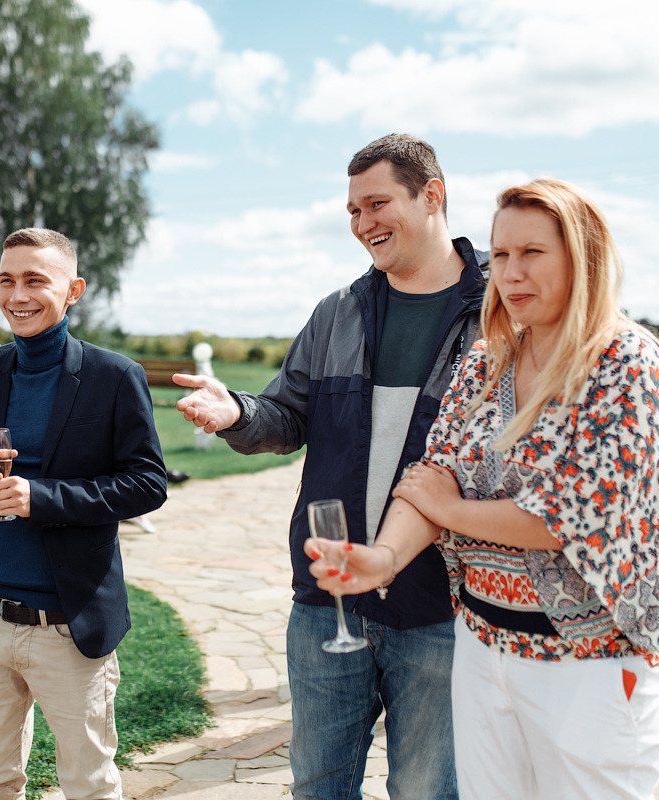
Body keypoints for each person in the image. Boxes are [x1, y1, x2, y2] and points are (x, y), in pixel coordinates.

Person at [310, 178, 659, 799]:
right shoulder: (486, 362)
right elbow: (431, 477)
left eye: (532, 253)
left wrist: (450, 508)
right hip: (485, 645)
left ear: (582, 256)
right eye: (501, 254)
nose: (510, 272)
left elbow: (568, 516)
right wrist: (383, 558)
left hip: (592, 661)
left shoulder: (624, 363)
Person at [175, 134, 486, 799]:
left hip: (443, 606)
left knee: (430, 791)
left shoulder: (498, 309)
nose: (363, 224)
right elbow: (286, 415)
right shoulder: (338, 312)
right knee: (317, 787)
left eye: (377, 204)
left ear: (432, 195)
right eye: (352, 211)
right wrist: (236, 412)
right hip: (327, 603)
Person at [0, 227, 167, 800]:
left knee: (88, 786)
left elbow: (147, 483)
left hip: (69, 625)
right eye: (7, 280)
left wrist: (43, 499)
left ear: (74, 291)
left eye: (36, 280)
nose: (18, 295)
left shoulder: (115, 377)